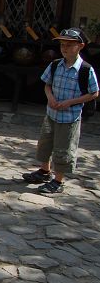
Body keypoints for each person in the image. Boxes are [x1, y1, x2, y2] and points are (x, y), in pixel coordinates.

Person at [21, 27, 98, 194]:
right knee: (45, 143)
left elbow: (94, 93)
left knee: (63, 148)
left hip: (69, 117)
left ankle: (58, 180)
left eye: (70, 45)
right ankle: (44, 171)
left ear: (80, 46)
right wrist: (50, 98)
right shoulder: (55, 65)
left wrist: (71, 102)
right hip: (51, 113)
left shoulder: (85, 69)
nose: (65, 48)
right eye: (63, 44)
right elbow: (47, 85)